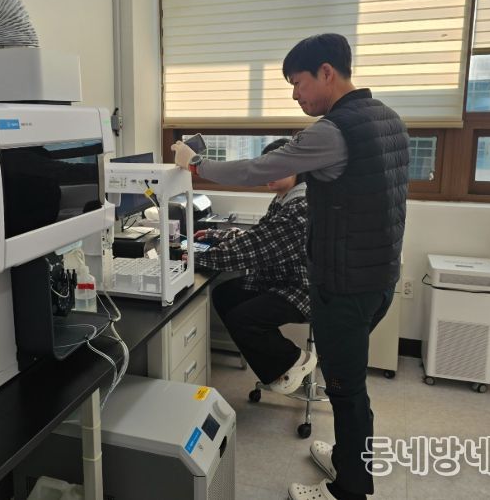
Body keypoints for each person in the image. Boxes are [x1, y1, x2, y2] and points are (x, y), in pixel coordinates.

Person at [171, 33, 409, 500]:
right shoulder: (388, 120)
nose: (296, 95)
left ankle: (349, 490)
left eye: (298, 83)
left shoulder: (333, 131)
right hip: (378, 277)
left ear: (326, 72)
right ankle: (347, 461)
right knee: (349, 385)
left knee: (346, 390)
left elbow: (259, 169)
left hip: (343, 286)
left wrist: (196, 164)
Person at [193, 139, 315, 396]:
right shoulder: (283, 198)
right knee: (224, 294)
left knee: (242, 319)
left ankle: (294, 358)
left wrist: (197, 258)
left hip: (301, 288)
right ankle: (276, 368)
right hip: (279, 278)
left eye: (275, 168)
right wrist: (217, 236)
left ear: (296, 168)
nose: (267, 174)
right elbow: (260, 236)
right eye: (264, 168)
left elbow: (255, 250)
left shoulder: (300, 206)